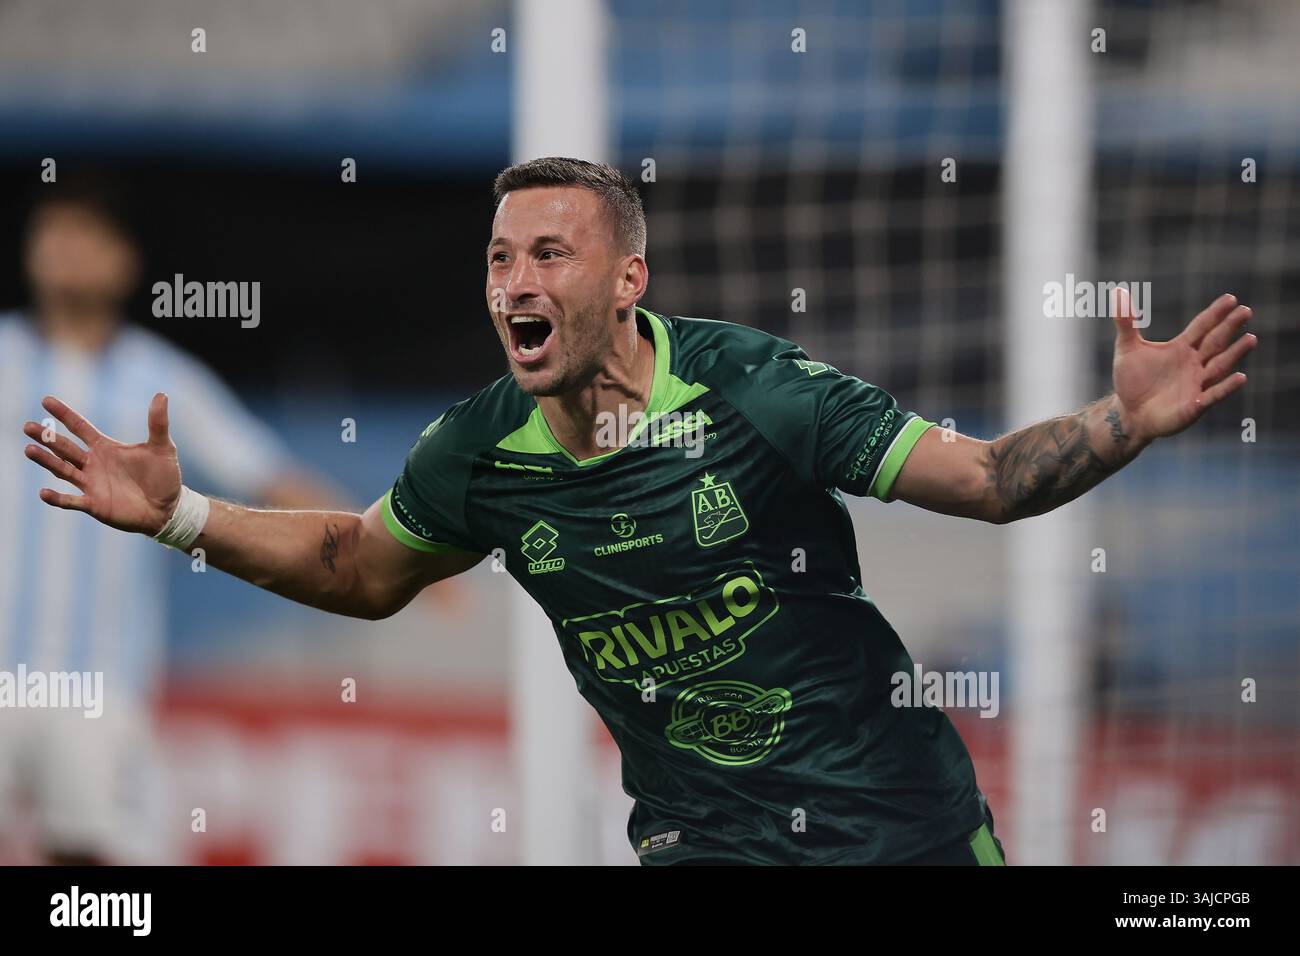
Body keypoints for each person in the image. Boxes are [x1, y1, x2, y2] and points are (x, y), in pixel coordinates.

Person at [19, 158, 1256, 865]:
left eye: (549, 254)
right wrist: (183, 518)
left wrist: (1118, 422)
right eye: (500, 258)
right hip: (700, 846)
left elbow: (986, 481)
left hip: (901, 831)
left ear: (628, 278)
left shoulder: (756, 390)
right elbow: (356, 564)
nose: (515, 282)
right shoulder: (477, 452)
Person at [1, 179, 337, 864]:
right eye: (52, 231)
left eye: (85, 234)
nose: (65, 249)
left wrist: (389, 540)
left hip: (99, 681)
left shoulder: (159, 380)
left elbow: (266, 473)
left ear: (123, 261)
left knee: (95, 868)